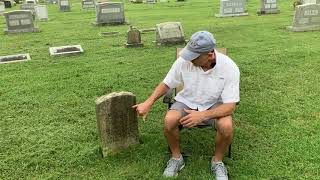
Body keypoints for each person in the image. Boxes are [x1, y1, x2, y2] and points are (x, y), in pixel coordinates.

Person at [132, 31, 240, 180]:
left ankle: (217, 161)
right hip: (187, 101)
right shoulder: (184, 60)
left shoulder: (229, 67)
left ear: (209, 55)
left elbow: (230, 106)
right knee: (169, 120)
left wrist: (202, 115)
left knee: (226, 127)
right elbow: (167, 83)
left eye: (193, 57)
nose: (188, 59)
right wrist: (149, 102)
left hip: (215, 104)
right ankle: (176, 158)